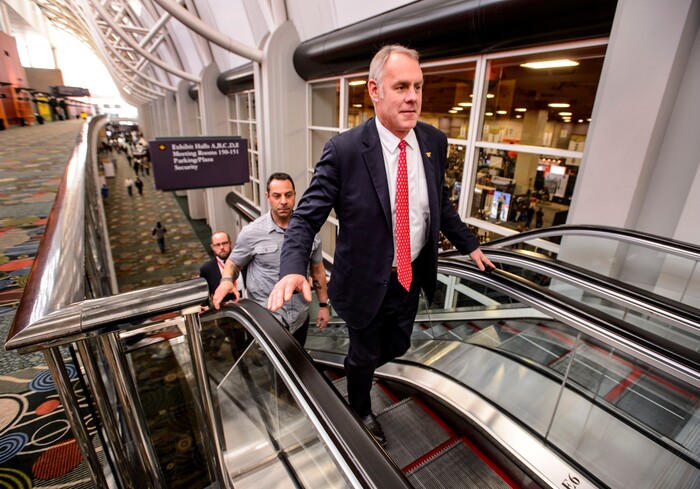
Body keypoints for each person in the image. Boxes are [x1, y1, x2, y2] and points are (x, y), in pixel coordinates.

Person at [266, 45, 495, 446]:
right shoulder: (346, 151)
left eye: (418, 87)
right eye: (401, 86)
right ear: (375, 90)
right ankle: (360, 407)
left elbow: (438, 202)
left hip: (410, 275)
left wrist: (469, 244)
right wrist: (290, 267)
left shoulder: (433, 142)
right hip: (364, 282)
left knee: (400, 342)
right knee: (364, 351)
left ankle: (361, 368)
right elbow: (304, 217)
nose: (412, 97)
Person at [213, 173, 330, 346]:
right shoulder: (251, 232)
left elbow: (318, 270)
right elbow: (233, 262)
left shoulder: (310, 232)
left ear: (295, 195)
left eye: (288, 195)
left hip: (299, 317)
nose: (283, 201)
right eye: (277, 196)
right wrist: (226, 280)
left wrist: (323, 305)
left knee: (297, 363)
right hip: (266, 318)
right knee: (272, 367)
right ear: (268, 197)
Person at [200, 231, 239, 304]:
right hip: (224, 309)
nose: (222, 247)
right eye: (217, 245)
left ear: (230, 243)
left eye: (224, 243)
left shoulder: (242, 261)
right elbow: (205, 297)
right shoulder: (206, 269)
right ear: (212, 247)